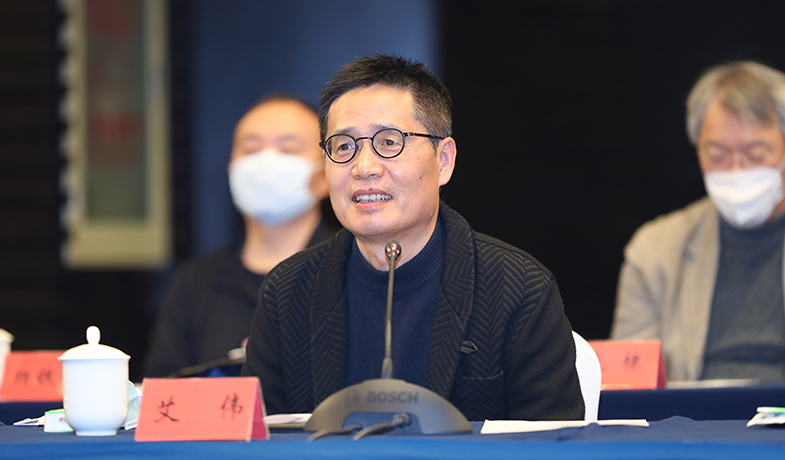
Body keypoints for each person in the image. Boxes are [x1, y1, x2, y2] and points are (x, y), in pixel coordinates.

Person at [241, 54, 584, 421]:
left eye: (389, 142)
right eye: (344, 146)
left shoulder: (518, 289)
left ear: (444, 160)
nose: (364, 167)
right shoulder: (288, 291)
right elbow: (254, 437)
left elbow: (554, 440)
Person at [612, 61, 785, 382]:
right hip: (693, 411)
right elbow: (628, 383)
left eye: (756, 154)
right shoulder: (655, 250)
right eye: (717, 155)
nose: (736, 170)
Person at [143, 95, 339, 378]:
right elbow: (163, 390)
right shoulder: (195, 283)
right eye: (251, 149)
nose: (266, 162)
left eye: (288, 149)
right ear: (232, 168)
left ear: (325, 174)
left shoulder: (352, 270)